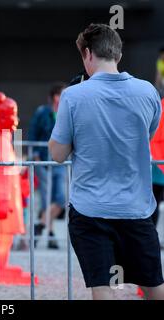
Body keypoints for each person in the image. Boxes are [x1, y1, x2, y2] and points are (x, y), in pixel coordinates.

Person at [49, 23, 164, 300]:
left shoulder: (73, 95)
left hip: (90, 210)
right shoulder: (148, 92)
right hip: (136, 208)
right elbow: (145, 136)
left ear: (87, 54)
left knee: (103, 290)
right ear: (118, 55)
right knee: (154, 287)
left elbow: (57, 154)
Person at [28, 83, 67, 249]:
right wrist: (35, 155)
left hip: (61, 161)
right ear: (55, 96)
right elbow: (33, 133)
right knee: (46, 198)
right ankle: (50, 234)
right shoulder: (42, 113)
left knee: (61, 199)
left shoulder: (67, 112)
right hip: (43, 160)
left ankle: (40, 225)